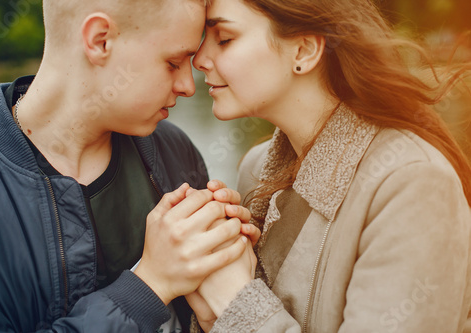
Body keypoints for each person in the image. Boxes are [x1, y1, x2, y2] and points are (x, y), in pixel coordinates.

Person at [0, 0, 260, 332]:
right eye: (173, 62)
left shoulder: (174, 151)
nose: (188, 86)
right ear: (100, 41)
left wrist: (225, 282)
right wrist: (150, 285)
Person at [188, 0, 471, 332]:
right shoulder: (255, 169)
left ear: (304, 51)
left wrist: (236, 300)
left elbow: (239, 303)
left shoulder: (412, 183)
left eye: (224, 38)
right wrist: (211, 315)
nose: (199, 59)